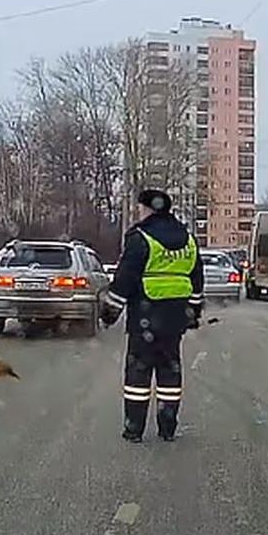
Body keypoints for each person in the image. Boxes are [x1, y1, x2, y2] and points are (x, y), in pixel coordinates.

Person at [101, 189, 204, 442]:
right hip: (174, 321)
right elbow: (197, 281)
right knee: (170, 373)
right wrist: (192, 313)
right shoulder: (188, 239)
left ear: (148, 208)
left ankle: (133, 429)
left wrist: (110, 313)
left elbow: (125, 279)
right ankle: (167, 427)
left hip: (144, 318)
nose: (138, 212)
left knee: (138, 375)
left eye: (140, 208)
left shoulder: (140, 238)